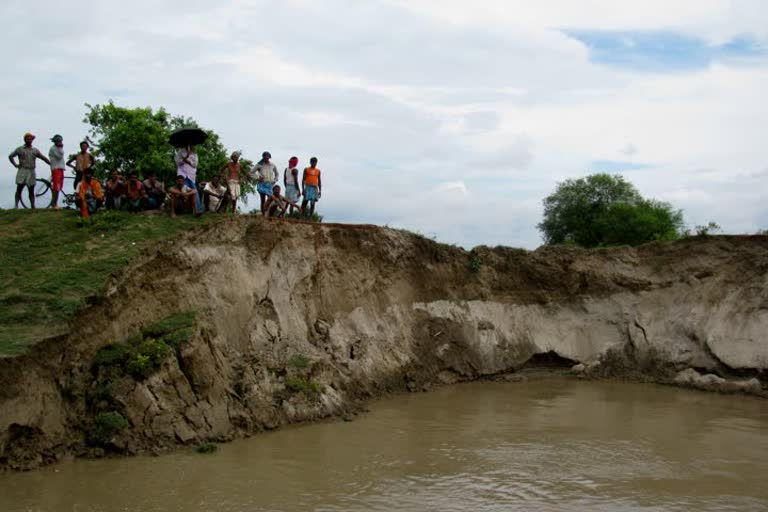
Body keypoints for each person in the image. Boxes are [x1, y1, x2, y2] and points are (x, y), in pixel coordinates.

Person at [8, 133, 51, 209]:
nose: (29, 140)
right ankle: (16, 205)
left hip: (31, 170)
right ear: (25, 140)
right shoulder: (20, 149)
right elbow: (11, 156)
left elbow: (43, 157)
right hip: (22, 170)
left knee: (31, 189)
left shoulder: (35, 150)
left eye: (30, 139)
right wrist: (15, 165)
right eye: (28, 139)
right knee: (19, 188)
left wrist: (50, 164)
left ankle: (33, 206)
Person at [174, 145, 203, 214]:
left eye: (190, 144)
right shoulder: (179, 153)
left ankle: (198, 209)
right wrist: (184, 159)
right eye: (187, 144)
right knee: (183, 191)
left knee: (194, 191)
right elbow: (177, 163)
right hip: (182, 175)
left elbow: (195, 165)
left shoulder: (194, 154)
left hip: (191, 175)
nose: (188, 146)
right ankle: (183, 209)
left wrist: (188, 161)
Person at [48, 134, 66, 209]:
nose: (60, 142)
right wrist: (61, 148)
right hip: (56, 169)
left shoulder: (57, 148)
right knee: (56, 187)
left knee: (59, 186)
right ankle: (54, 204)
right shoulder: (53, 148)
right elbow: (59, 156)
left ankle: (55, 203)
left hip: (60, 168)